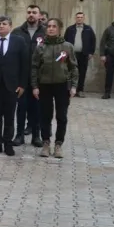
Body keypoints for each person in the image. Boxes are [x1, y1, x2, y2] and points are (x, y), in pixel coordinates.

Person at [31, 18, 78, 158]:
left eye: (54, 26)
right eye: (49, 26)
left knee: (61, 116)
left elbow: (73, 67)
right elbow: (34, 68)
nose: (51, 28)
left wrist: (74, 86)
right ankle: (46, 143)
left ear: (59, 29)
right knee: (45, 116)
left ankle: (58, 144)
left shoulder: (67, 46)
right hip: (44, 85)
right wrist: (34, 86)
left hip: (62, 85)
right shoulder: (40, 47)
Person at [0, 17, 28, 156]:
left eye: (4, 24)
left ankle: (8, 143)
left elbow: (24, 65)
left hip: (12, 86)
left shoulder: (19, 41)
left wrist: (22, 85)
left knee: (9, 117)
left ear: (10, 26)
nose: (1, 26)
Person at [10, 5, 45, 147]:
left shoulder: (45, 32)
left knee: (37, 108)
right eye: (29, 12)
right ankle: (19, 135)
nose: (31, 15)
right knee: (21, 107)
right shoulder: (17, 32)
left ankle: (36, 136)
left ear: (39, 15)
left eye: (34, 12)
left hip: (38, 78)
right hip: (21, 77)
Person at [63, 12, 96, 98]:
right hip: (71, 54)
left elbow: (93, 41)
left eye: (81, 17)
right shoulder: (70, 29)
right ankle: (70, 89)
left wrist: (91, 52)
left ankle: (80, 90)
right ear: (75, 18)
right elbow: (64, 41)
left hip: (83, 54)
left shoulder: (88, 29)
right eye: (78, 17)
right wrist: (65, 52)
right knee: (70, 72)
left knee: (82, 72)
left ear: (84, 18)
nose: (79, 19)